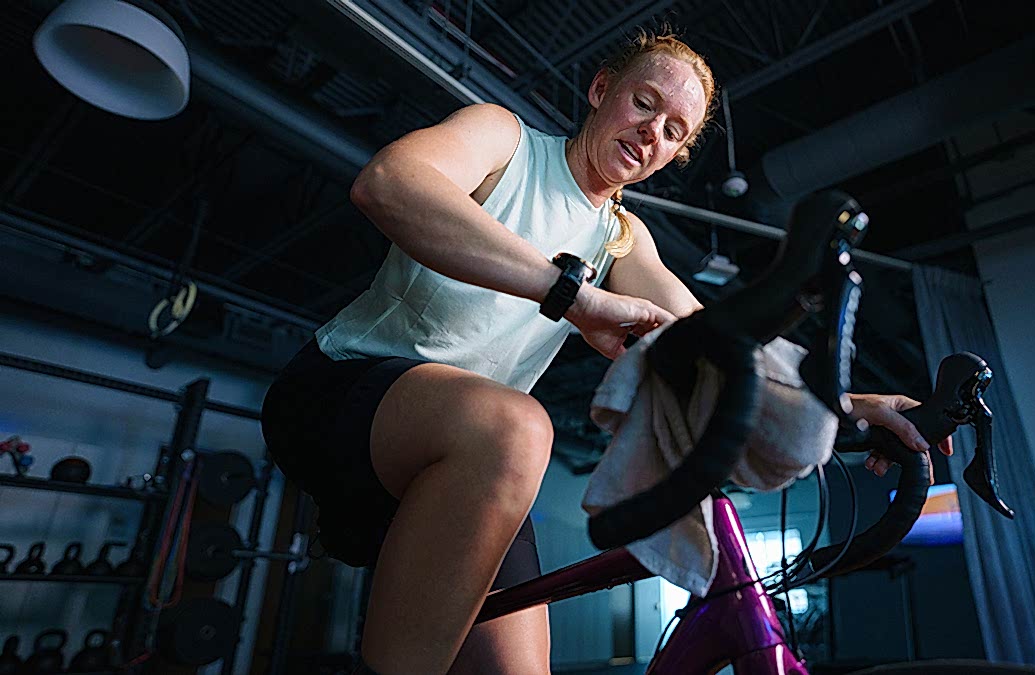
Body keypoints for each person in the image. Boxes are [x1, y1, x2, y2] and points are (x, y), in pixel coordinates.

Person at [261, 29, 952, 675]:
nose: (651, 132)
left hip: (472, 461)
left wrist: (849, 401)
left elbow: (719, 337)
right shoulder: (507, 140)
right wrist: (571, 295)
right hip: (343, 395)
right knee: (520, 426)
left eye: (673, 130)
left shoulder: (621, 237)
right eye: (643, 102)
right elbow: (389, 183)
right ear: (601, 90)